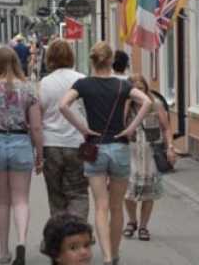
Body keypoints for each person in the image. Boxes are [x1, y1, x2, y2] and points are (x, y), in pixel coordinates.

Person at [59, 42, 154, 265]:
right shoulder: (122, 86)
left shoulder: (83, 84)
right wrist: (130, 129)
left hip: (95, 148)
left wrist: (82, 128)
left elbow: (63, 105)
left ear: (92, 61)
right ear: (111, 61)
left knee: (100, 206)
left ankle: (107, 256)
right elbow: (147, 101)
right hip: (119, 146)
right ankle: (115, 251)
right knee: (116, 205)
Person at [0, 46, 44, 265]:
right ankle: (22, 242)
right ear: (17, 62)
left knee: (2, 202)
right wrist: (40, 153)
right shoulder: (28, 90)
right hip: (20, 142)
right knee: (21, 200)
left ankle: (4, 251)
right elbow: (36, 127)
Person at [38, 39, 89, 220]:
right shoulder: (82, 79)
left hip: (51, 144)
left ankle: (60, 239)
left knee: (56, 195)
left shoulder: (45, 82)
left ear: (49, 58)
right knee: (79, 192)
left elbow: (39, 113)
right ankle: (79, 232)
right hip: (77, 143)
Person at [123, 75, 176, 242]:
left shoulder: (156, 105)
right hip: (130, 152)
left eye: (142, 88)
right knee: (128, 192)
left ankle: (144, 226)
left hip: (150, 153)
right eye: (136, 89)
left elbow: (167, 128)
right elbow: (119, 125)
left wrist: (170, 148)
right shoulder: (126, 107)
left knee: (148, 193)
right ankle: (132, 221)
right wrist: (125, 104)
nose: (140, 92)